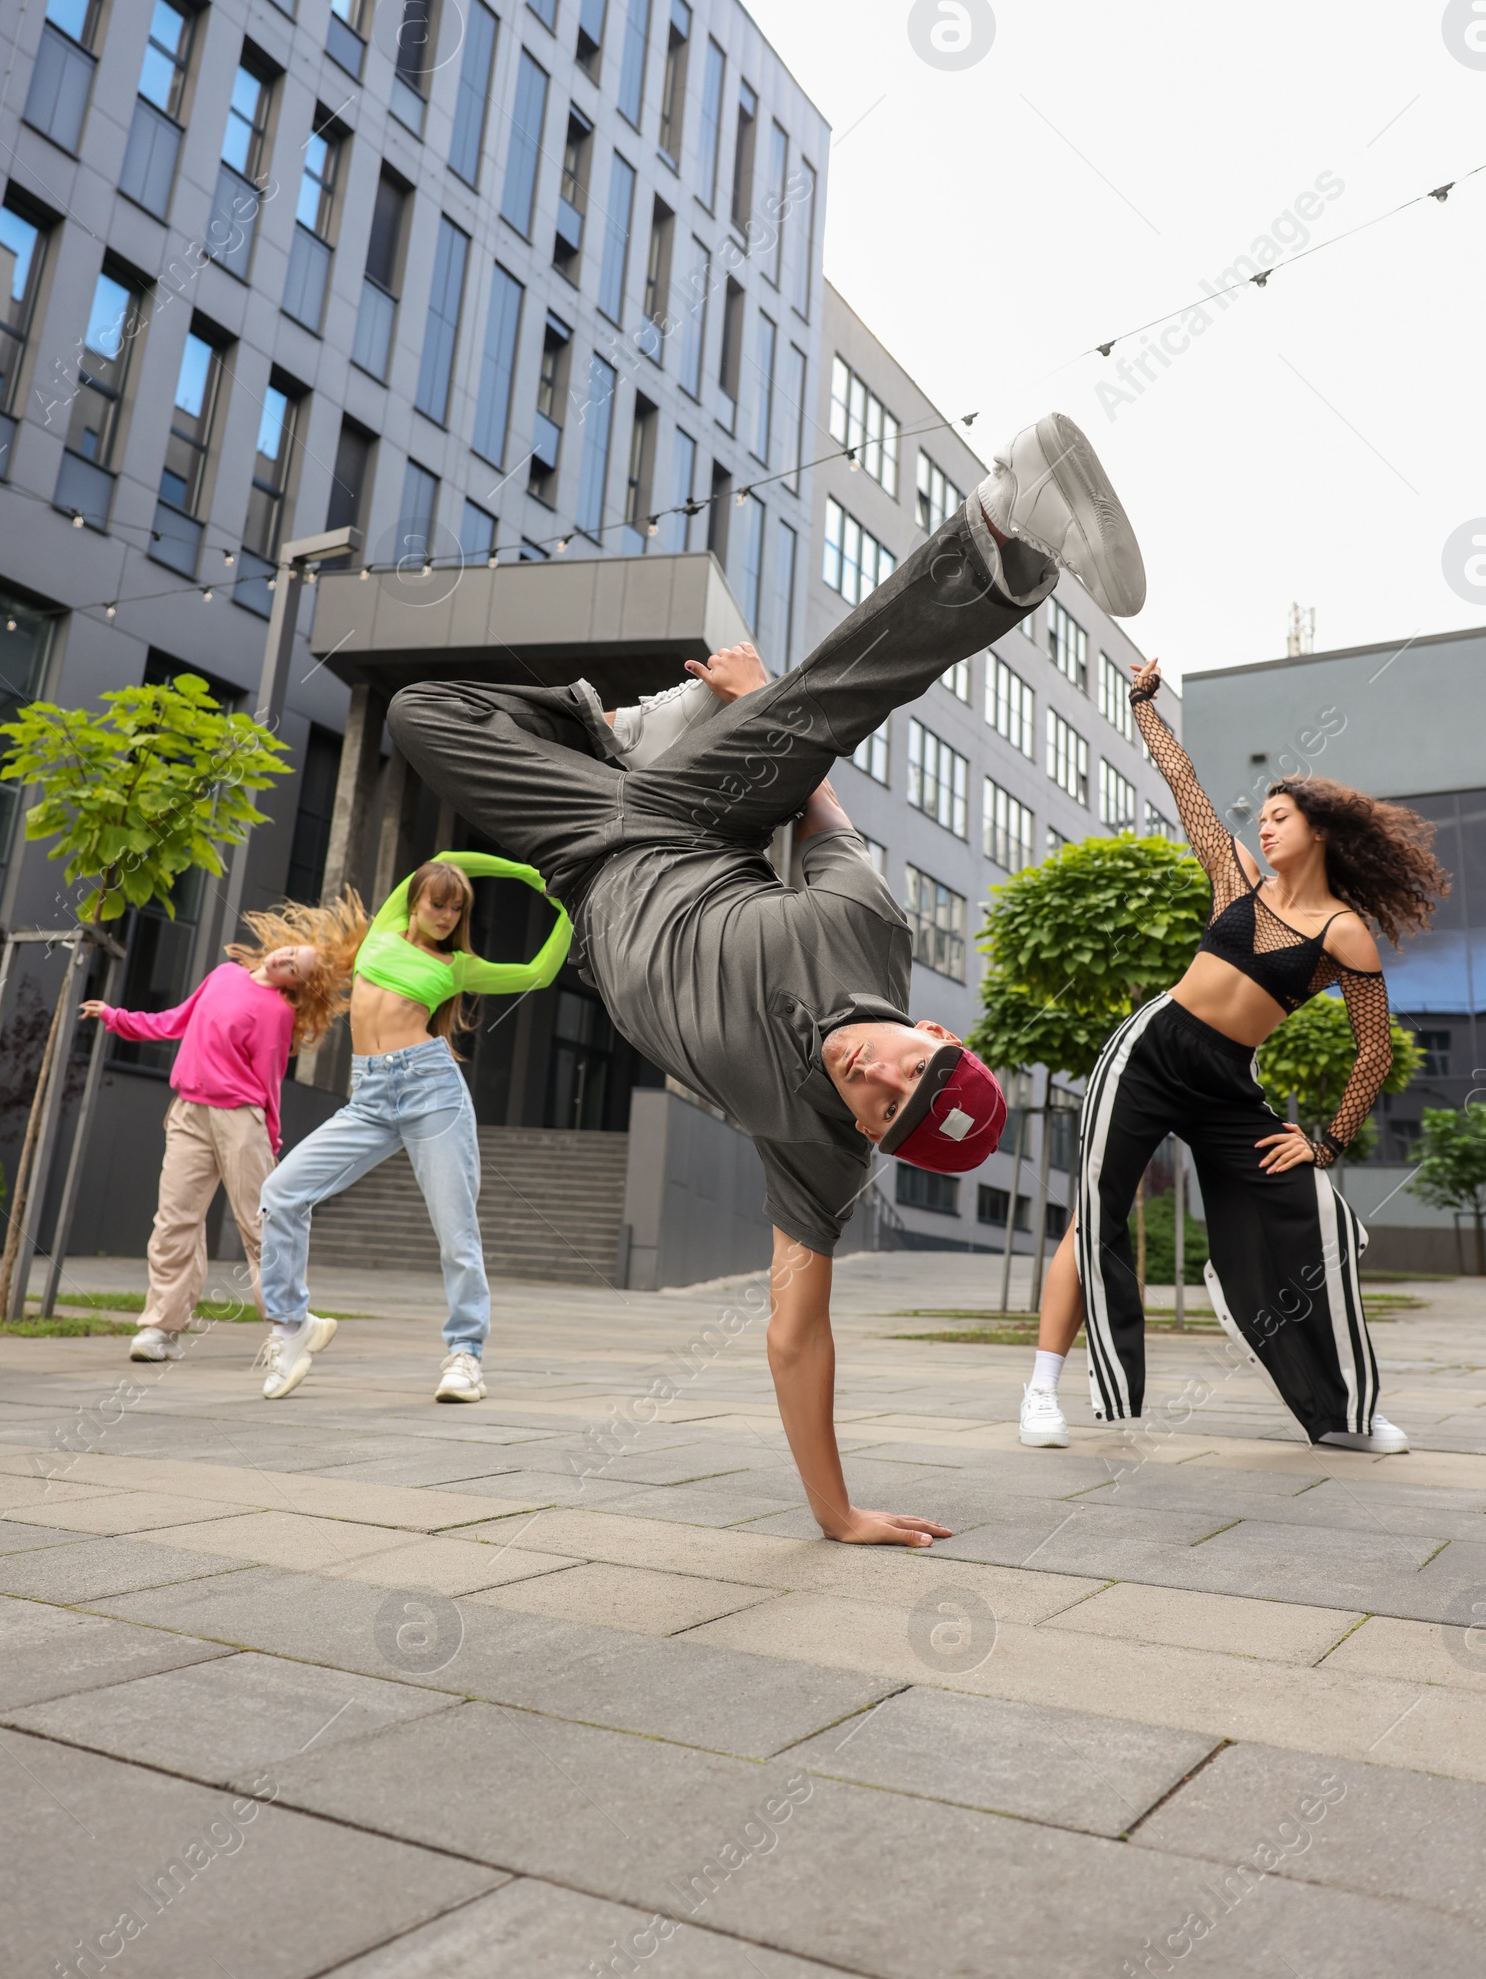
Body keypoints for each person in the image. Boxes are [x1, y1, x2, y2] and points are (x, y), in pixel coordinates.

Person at [385, 414, 1146, 1546]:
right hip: (689, 817)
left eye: (882, 1105)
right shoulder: (867, 923)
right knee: (824, 708)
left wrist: (835, 1511)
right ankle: (1003, 535)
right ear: (933, 1028)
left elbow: (797, 1331)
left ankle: (613, 730)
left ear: (870, 1137)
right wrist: (757, 702)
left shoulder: (817, 1152)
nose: (870, 1071)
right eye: (908, 1062)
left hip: (595, 865)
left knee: (416, 716)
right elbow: (817, 787)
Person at [1019, 659, 1448, 1455]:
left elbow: (1373, 1046)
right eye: (1265, 817)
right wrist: (1145, 707)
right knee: (1096, 1213)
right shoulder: (1235, 881)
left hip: (1225, 1083)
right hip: (1150, 1052)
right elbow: (1184, 782)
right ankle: (1042, 1389)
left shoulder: (1342, 931)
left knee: (1310, 1211)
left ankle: (1343, 1410)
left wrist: (1326, 1141)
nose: (1266, 827)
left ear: (1319, 830)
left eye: (1282, 817)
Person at [255, 853, 571, 1402]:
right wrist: (524, 872)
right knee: (282, 1192)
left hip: (432, 1093)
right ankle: (291, 1326)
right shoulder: (383, 930)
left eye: (456, 908)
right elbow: (447, 859)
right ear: (416, 901)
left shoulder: (457, 967)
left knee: (456, 1232)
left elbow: (538, 974)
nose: (446, 915)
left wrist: (568, 902)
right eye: (437, 903)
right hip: (370, 1096)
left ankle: (466, 1354)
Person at [82, 895, 368, 1364]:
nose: (286, 959)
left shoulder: (277, 1012)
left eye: (296, 967)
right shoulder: (223, 975)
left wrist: (270, 1140)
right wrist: (116, 1017)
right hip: (190, 1112)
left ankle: (286, 1328)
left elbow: (269, 1082)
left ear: (298, 985)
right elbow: (174, 1021)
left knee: (261, 1227)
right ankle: (161, 1328)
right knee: (174, 1220)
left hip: (241, 1121)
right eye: (291, 951)